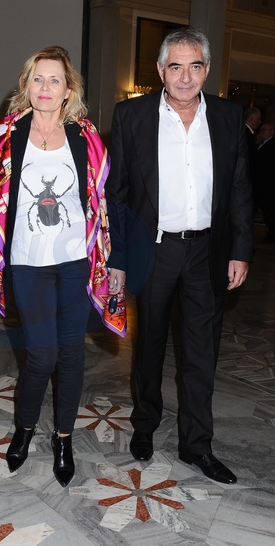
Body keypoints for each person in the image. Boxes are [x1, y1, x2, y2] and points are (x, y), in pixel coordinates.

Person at [0, 46, 126, 487]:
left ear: (69, 89)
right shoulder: (6, 134)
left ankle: (64, 438)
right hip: (28, 262)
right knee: (41, 355)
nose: (46, 87)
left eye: (55, 79)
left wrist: (116, 258)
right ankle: (25, 427)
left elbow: (105, 201)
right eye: (38, 78)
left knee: (71, 354)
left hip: (75, 262)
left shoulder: (85, 136)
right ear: (26, 85)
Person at [107, 27, 253, 484]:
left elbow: (239, 187)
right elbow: (117, 194)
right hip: (154, 250)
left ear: (207, 70)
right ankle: (144, 426)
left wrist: (240, 249)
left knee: (201, 352)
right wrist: (118, 256)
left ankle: (197, 445)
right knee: (149, 345)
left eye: (195, 66)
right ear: (160, 71)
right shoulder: (132, 115)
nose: (185, 77)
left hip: (208, 252)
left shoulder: (229, 117)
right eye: (176, 66)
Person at [256, 122, 275, 242]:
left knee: (270, 210)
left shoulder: (272, 145)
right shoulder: (261, 143)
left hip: (268, 184)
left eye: (265, 130)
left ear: (272, 132)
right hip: (262, 183)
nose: (262, 132)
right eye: (262, 130)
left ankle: (272, 234)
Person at [244, 106, 262, 215]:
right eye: (258, 119)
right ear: (251, 119)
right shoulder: (246, 134)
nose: (260, 122)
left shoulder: (246, 133)